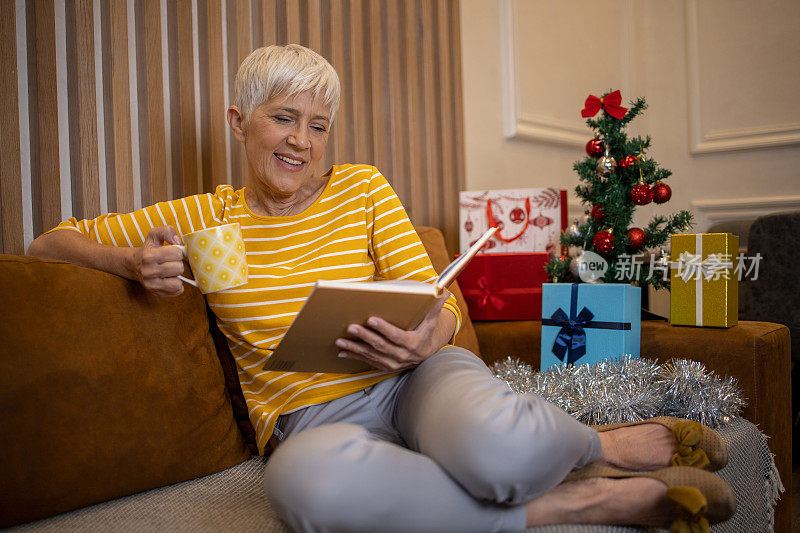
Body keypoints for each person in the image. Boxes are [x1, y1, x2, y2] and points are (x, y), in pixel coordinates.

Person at [28, 44, 734, 532]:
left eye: (318, 125)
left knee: (499, 449)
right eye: (282, 117)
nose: (300, 142)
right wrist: (131, 263)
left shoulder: (361, 187)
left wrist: (435, 329)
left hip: (416, 378)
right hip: (310, 424)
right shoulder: (202, 216)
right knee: (308, 492)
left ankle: (597, 445)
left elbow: (434, 296)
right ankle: (571, 506)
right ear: (239, 122)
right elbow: (48, 242)